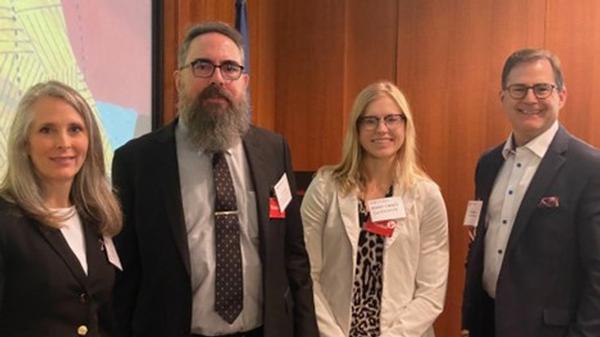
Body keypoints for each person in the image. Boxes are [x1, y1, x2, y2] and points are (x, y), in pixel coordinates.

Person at [111, 21, 318, 337]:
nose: (218, 79)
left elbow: (294, 259)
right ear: (179, 79)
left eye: (230, 68)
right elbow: (125, 273)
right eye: (203, 66)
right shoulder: (137, 162)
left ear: (244, 81)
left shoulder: (274, 151)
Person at [461, 48, 600, 337]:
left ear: (561, 96)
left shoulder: (589, 168)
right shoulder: (488, 164)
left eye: (541, 88)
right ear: (503, 97)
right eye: (519, 89)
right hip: (488, 323)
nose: (529, 99)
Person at [301, 81, 449, 337]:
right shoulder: (325, 187)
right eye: (370, 120)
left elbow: (431, 291)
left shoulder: (426, 195)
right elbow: (306, 273)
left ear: (405, 125)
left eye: (391, 119)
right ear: (357, 128)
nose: (382, 129)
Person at [0, 80, 123, 337]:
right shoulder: (6, 221)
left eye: (75, 129)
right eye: (47, 130)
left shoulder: (95, 217)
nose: (63, 142)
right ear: (25, 144)